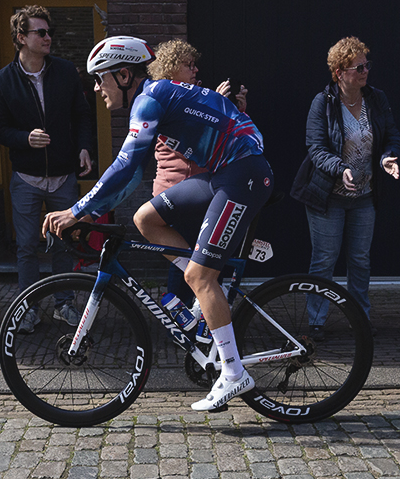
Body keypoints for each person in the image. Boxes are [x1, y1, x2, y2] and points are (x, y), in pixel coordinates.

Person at [43, 36, 273, 412]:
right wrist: (88, 211)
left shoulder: (150, 98)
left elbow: (127, 165)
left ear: (123, 75)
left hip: (243, 174)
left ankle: (234, 373)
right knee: (145, 218)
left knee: (200, 276)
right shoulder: (155, 95)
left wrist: (77, 210)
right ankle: (205, 292)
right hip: (224, 173)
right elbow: (132, 176)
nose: (97, 88)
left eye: (100, 79)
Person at [0, 5, 95, 332]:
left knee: (65, 242)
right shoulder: (3, 80)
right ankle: (28, 308)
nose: (48, 37)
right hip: (26, 177)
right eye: (41, 32)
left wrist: (84, 147)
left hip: (63, 175)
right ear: (21, 38)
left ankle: (65, 304)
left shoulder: (65, 71)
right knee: (26, 247)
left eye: (49, 32)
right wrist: (24, 138)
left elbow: (82, 114)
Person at [291, 36, 400, 333]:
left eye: (367, 65)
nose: (365, 71)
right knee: (324, 259)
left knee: (360, 260)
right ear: (339, 72)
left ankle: (359, 318)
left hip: (365, 195)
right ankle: (316, 320)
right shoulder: (323, 102)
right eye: (358, 67)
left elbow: (391, 136)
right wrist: (341, 169)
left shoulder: (376, 99)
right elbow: (316, 148)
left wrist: (387, 158)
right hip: (328, 196)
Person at [138, 38, 248, 306]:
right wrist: (216, 104)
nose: (196, 70)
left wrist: (237, 111)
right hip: (177, 194)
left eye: (194, 64)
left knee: (208, 264)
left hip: (202, 193)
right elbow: (195, 141)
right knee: (185, 264)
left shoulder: (193, 97)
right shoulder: (165, 102)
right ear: (170, 69)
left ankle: (205, 318)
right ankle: (181, 319)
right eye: (188, 65)